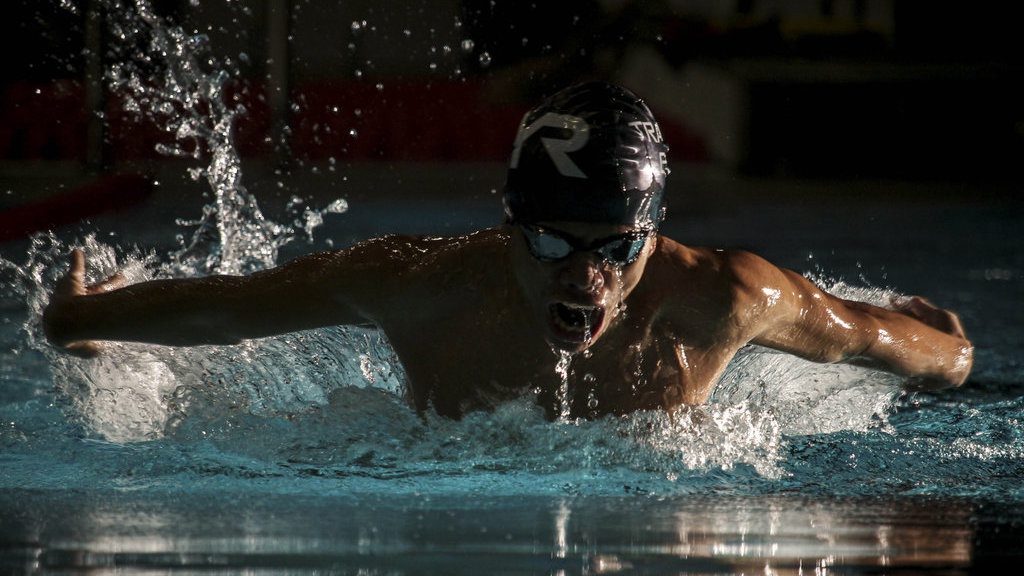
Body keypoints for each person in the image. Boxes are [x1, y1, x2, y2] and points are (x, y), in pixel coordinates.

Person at [42, 82, 973, 420]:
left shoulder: (724, 299)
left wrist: (956, 355)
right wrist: (85, 320)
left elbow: (862, 336)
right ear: (505, 222)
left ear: (652, 234)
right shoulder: (416, 286)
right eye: (549, 240)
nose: (584, 276)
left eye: (613, 248)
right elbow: (239, 307)